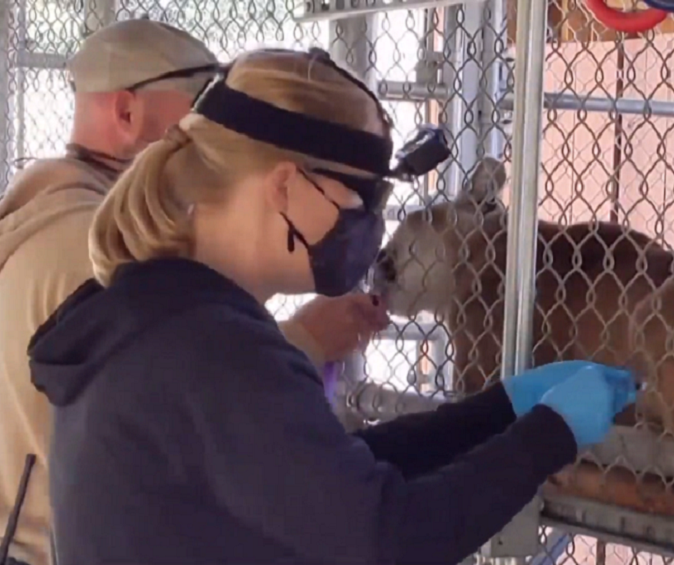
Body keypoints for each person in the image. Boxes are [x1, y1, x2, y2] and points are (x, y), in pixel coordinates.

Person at [27, 47, 638, 565]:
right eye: (360, 197)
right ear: (287, 185)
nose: (369, 224)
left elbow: (327, 479)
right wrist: (549, 435)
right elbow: (386, 535)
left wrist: (500, 410)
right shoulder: (212, 352)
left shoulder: (156, 316)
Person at [0, 21, 384, 565]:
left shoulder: (49, 210)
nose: (220, 123)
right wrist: (303, 340)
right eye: (205, 100)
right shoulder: (92, 248)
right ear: (128, 114)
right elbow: (187, 398)